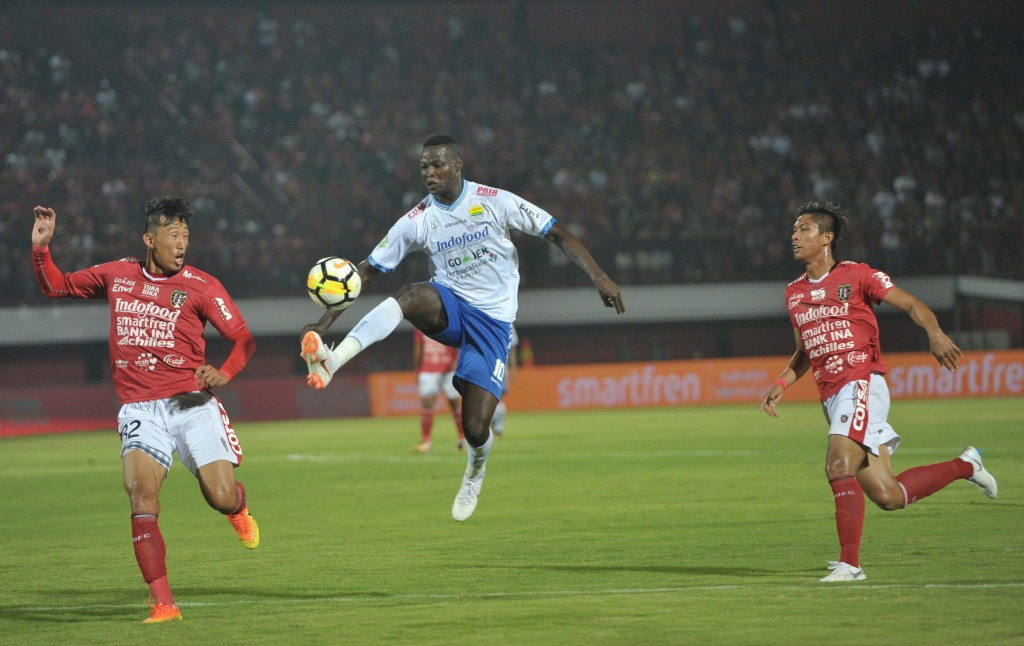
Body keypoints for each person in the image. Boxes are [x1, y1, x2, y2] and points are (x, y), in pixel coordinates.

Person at [301, 133, 624, 521]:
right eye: (424, 167)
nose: (430, 174)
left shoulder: (495, 201)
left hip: (493, 323)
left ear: (457, 164)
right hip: (450, 306)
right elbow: (365, 272)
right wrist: (325, 320)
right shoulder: (416, 220)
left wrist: (599, 277)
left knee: (474, 428)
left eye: (437, 165)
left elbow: (556, 233)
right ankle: (333, 360)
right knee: (409, 295)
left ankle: (474, 470)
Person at [31, 197, 259, 623]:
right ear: (149, 239)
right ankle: (163, 603)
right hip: (139, 408)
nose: (181, 244)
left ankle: (238, 508)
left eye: (186, 236)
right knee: (141, 495)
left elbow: (243, 338)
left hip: (192, 404)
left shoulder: (202, 285)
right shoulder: (116, 274)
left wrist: (224, 373)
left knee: (220, 496)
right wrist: (42, 248)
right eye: (173, 236)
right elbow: (56, 286)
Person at [758, 200, 997, 582]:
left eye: (803, 229)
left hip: (862, 382)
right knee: (889, 496)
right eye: (793, 230)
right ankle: (966, 465)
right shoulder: (793, 293)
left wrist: (934, 332)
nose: (794, 236)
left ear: (827, 238)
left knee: (837, 465)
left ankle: (850, 566)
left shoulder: (857, 275)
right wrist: (782, 381)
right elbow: (805, 351)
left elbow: (911, 303)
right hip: (831, 393)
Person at [413, 327, 466, 453]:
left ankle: (462, 438)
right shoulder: (419, 325)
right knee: (427, 403)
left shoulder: (448, 319)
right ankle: (426, 441)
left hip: (449, 369)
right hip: (428, 368)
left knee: (454, 404)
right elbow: (418, 347)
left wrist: (455, 361)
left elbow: (459, 341)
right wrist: (417, 370)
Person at [490, 325, 519, 437]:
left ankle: (498, 426)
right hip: (484, 365)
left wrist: (513, 368)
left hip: (500, 365)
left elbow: (512, 347)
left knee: (497, 397)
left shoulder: (508, 322)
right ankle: (493, 426)